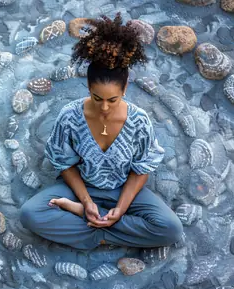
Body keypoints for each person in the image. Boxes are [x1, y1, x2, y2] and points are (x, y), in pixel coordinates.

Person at [20, 13, 183, 250]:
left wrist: (121, 209)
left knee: (171, 229)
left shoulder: (139, 121)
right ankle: (104, 227)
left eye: (112, 99)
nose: (104, 107)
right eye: (97, 98)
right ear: (88, 86)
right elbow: (64, 164)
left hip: (123, 190)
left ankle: (90, 227)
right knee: (30, 214)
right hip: (81, 187)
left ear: (125, 87)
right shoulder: (70, 116)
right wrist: (85, 201)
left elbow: (141, 170)